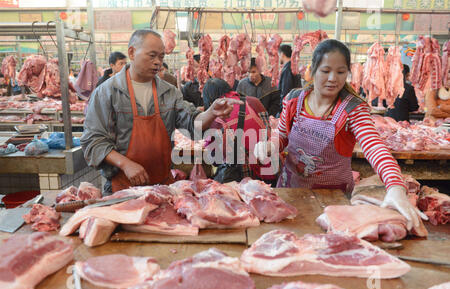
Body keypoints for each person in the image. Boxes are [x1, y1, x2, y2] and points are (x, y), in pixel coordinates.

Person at [254, 39, 427, 231]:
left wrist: (395, 186)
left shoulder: (353, 108)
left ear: (348, 73)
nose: (333, 79)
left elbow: (374, 147)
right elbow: (283, 135)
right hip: (290, 192)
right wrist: (270, 145)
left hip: (333, 201)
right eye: (326, 71)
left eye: (340, 72)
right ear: (312, 70)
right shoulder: (295, 99)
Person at [81, 29, 237, 194]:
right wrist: (125, 164)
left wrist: (211, 112)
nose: (158, 62)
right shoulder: (107, 92)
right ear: (132, 53)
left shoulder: (168, 92)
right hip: (122, 189)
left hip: (162, 188)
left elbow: (192, 122)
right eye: (152, 55)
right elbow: (93, 142)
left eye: (161, 57)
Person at [202, 78, 277, 186]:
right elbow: (268, 132)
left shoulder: (215, 117)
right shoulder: (254, 102)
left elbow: (215, 159)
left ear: (210, 100)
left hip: (242, 178)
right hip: (270, 169)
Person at [278, 44, 301, 110]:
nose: (279, 57)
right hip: (294, 103)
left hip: (289, 106)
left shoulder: (287, 69)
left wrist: (282, 108)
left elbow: (286, 90)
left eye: (279, 55)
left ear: (282, 54)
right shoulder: (292, 66)